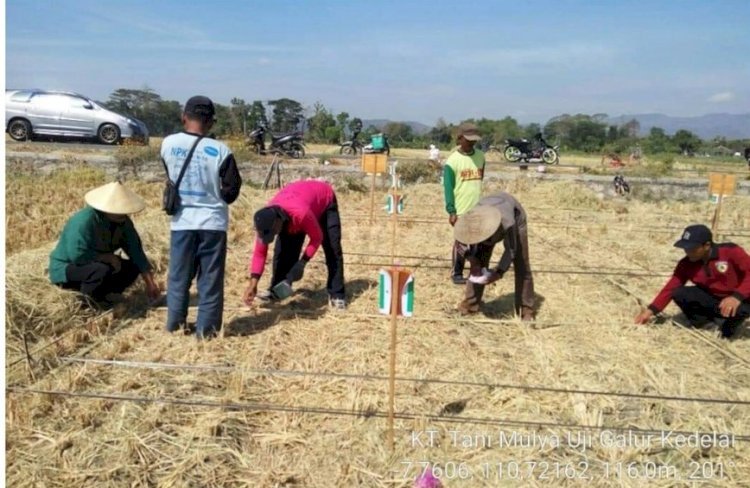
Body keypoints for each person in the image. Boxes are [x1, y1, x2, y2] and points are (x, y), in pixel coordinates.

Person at [161, 95, 242, 339]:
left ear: (184, 117)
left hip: (182, 223)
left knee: (178, 278)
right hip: (213, 224)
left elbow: (169, 175)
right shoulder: (221, 150)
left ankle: (175, 326)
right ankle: (206, 332)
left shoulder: (168, 144)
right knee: (209, 281)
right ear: (211, 122)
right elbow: (231, 192)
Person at [48, 181, 160, 306]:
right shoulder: (84, 221)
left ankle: (106, 295)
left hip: (100, 266)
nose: (123, 214)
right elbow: (77, 255)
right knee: (100, 269)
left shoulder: (123, 222)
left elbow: (136, 252)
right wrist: (106, 258)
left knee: (131, 267)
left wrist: (150, 283)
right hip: (68, 268)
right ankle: (89, 303)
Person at [243, 179, 346, 309]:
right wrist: (253, 283)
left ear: (278, 222)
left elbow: (317, 237)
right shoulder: (264, 221)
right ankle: (277, 290)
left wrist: (302, 262)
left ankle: (337, 294)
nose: (273, 236)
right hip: (299, 200)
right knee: (283, 251)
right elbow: (259, 254)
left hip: (324, 200)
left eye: (273, 233)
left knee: (332, 247)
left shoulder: (300, 213)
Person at [635, 224, 750, 338]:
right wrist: (650, 311)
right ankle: (706, 325)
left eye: (692, 249)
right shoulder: (686, 264)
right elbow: (671, 287)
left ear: (707, 245)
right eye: (686, 248)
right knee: (679, 293)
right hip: (713, 299)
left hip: (740, 300)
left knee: (730, 329)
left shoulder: (731, 252)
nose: (688, 252)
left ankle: (728, 327)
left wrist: (737, 296)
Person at [452, 192, 535, 321]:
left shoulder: (509, 223)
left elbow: (511, 249)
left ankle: (526, 310)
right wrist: (473, 261)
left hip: (515, 215)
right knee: (480, 259)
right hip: (486, 211)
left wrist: (499, 272)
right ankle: (470, 305)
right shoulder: (469, 221)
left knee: (522, 263)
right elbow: (459, 244)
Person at [443, 122, 486, 284]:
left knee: (476, 243)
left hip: (477, 209)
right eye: (468, 140)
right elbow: (448, 188)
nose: (472, 143)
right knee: (461, 244)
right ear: (460, 139)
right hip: (460, 210)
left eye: (475, 140)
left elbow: (480, 180)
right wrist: (451, 211)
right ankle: (457, 273)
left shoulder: (481, 156)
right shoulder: (452, 162)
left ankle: (475, 271)